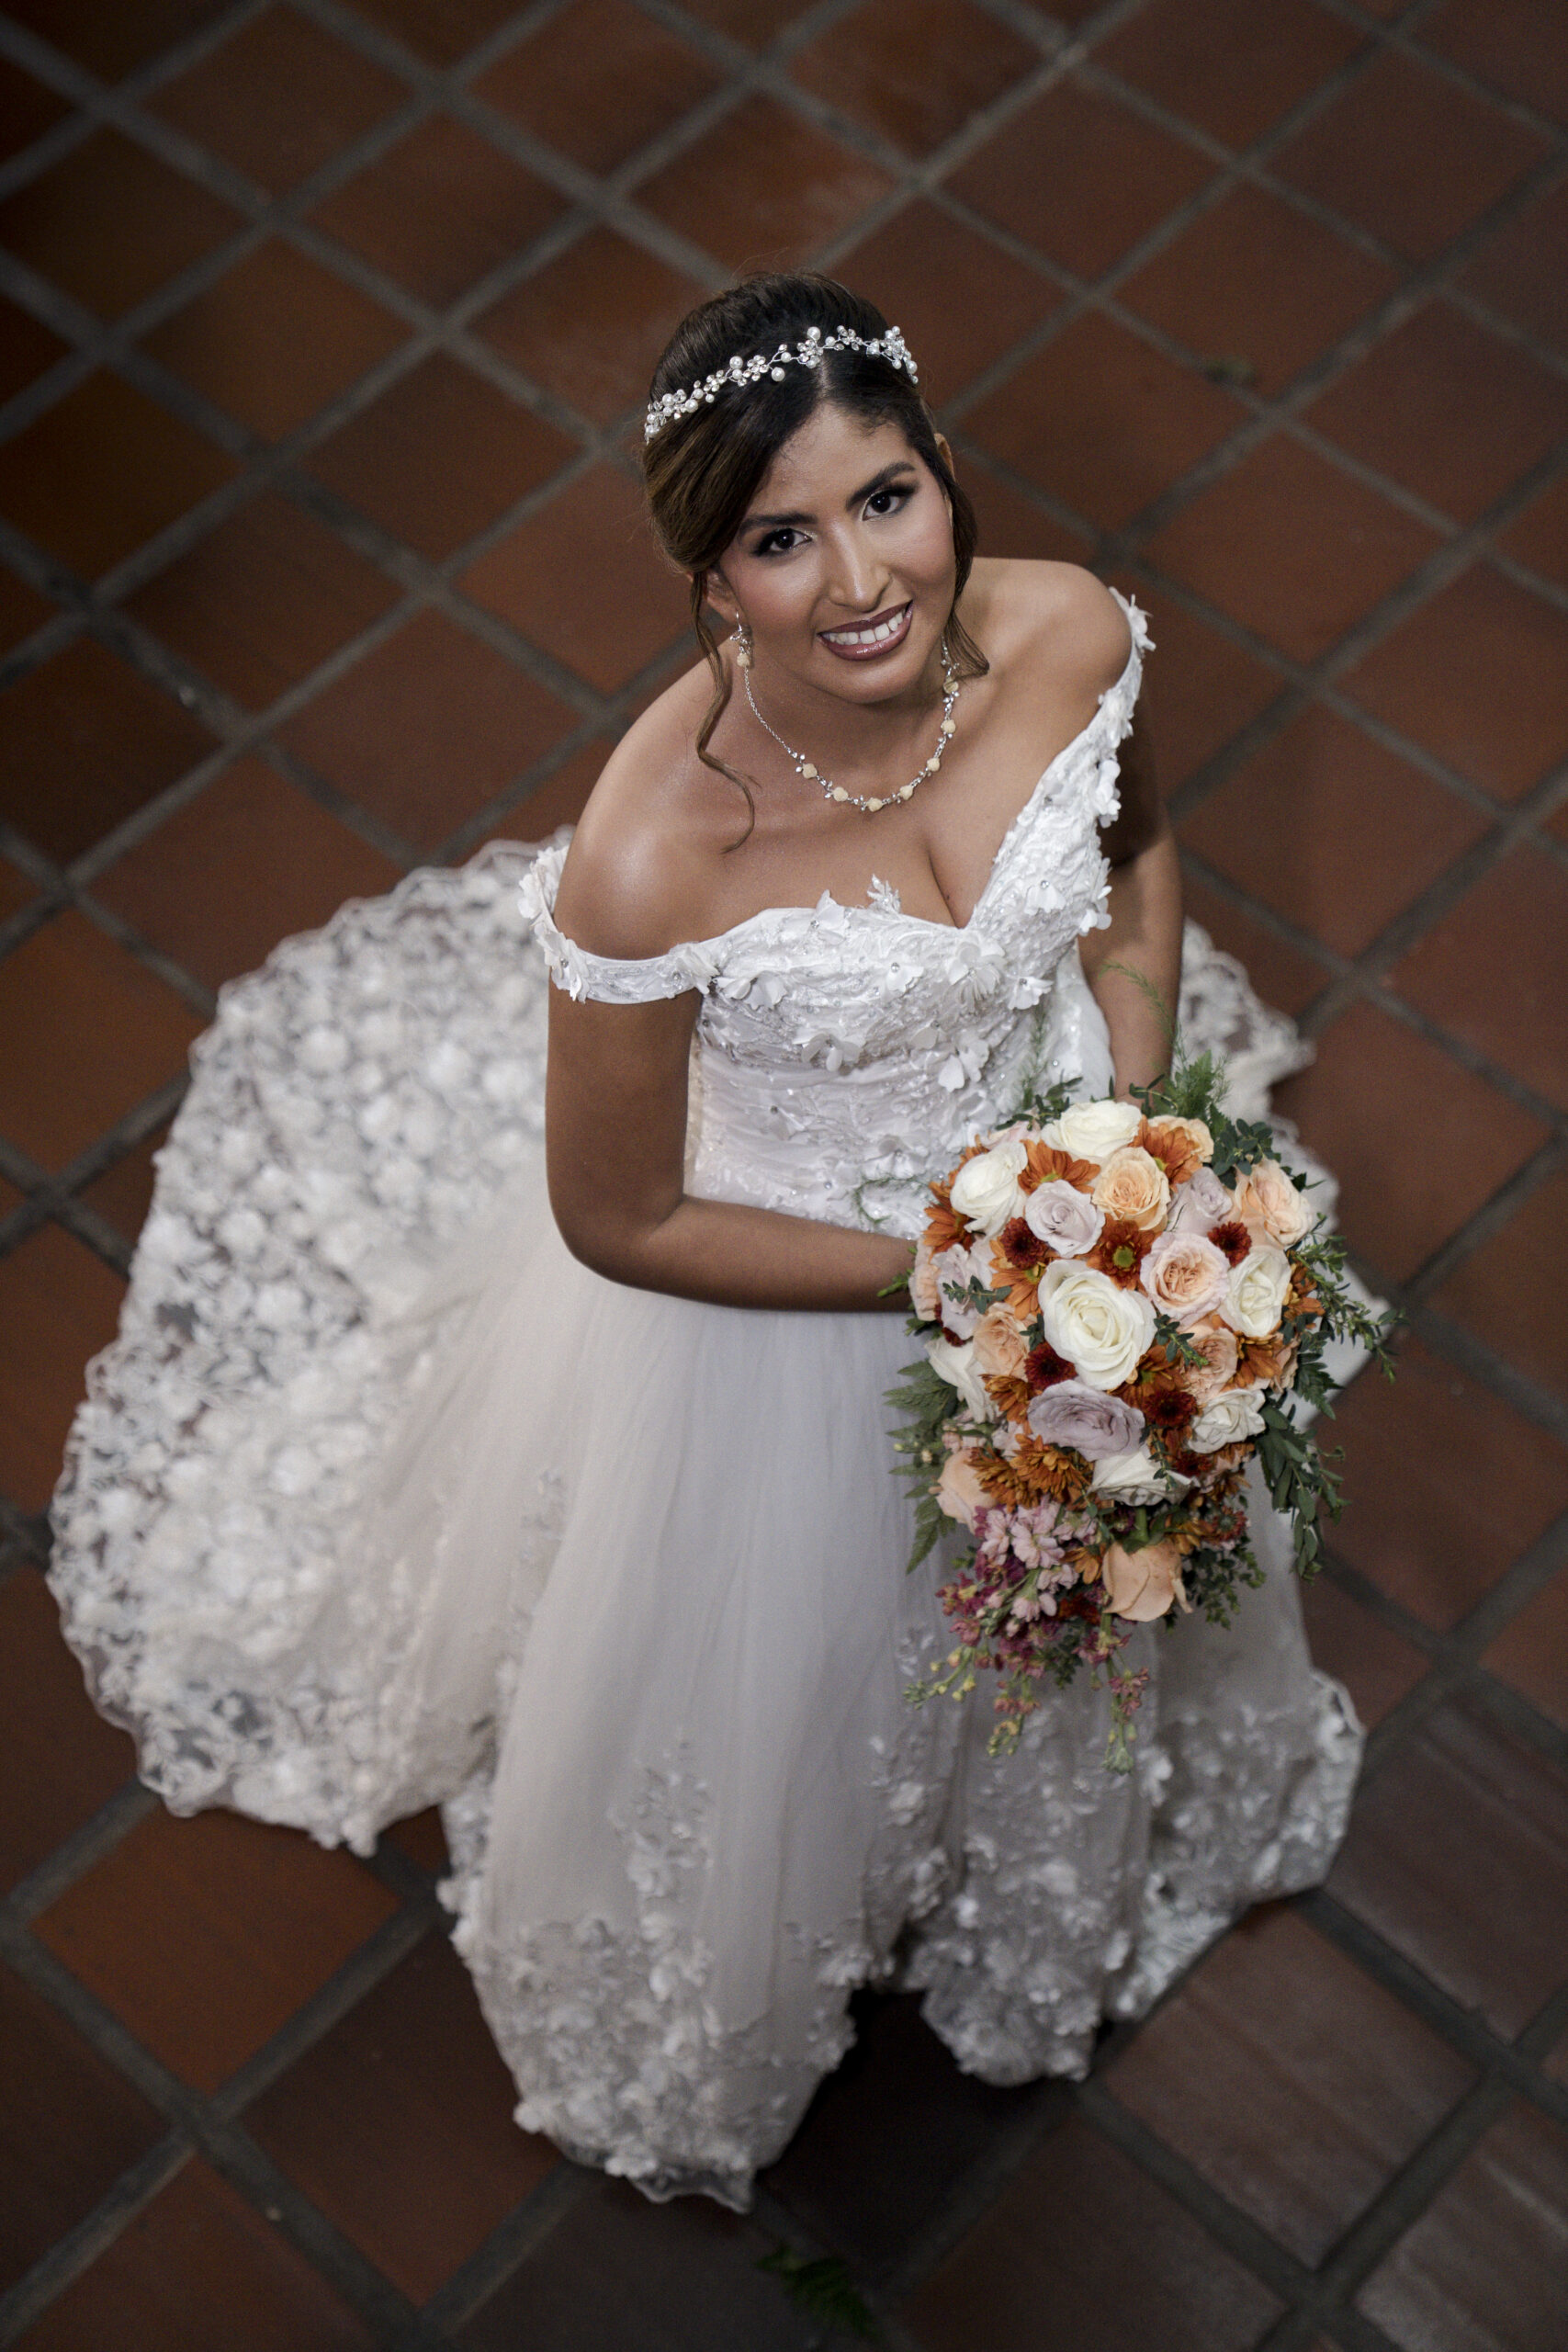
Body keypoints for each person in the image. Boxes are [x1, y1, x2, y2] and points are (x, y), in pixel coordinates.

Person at [51, 275, 1359, 2211]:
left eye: (889, 496)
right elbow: (620, 1208)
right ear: (706, 574)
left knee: (1082, 1587)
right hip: (790, 1311)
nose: (859, 579)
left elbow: (1134, 870)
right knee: (803, 1664)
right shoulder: (656, 850)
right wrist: (967, 1272)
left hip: (1075, 1234)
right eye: (779, 535)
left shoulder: (1072, 632)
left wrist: (1119, 1147)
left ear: (939, 474)